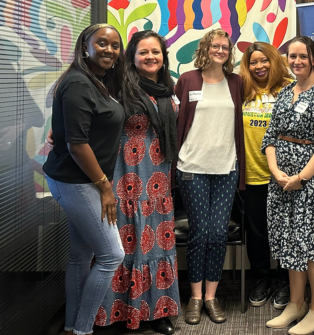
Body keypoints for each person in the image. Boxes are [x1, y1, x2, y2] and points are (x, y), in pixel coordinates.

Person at [43, 23, 126, 335]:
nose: (109, 49)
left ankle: (72, 328)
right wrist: (105, 187)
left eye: (115, 45)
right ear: (85, 47)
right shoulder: (79, 83)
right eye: (102, 43)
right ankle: (84, 329)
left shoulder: (98, 81)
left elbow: (78, 128)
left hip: (80, 180)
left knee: (81, 257)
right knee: (111, 255)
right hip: (77, 182)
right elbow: (77, 145)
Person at [96, 30, 180, 335]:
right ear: (131, 56)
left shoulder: (166, 88)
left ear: (163, 57)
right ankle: (116, 314)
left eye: (155, 52)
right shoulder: (115, 86)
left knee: (157, 242)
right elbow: (90, 118)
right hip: (124, 176)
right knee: (124, 243)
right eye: (143, 52)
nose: (150, 57)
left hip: (158, 178)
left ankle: (159, 313)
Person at [262, 36, 314, 335]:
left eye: (302, 56)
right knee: (290, 241)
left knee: (312, 243)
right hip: (281, 179)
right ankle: (295, 304)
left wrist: (301, 178)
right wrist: (276, 171)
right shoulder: (285, 92)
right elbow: (271, 136)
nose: (296, 62)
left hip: (312, 181)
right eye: (291, 56)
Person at [175, 29, 245, 325]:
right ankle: (194, 297)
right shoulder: (188, 80)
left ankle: (211, 297)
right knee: (199, 234)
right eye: (215, 45)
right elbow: (174, 119)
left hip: (226, 168)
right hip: (192, 168)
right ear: (205, 48)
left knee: (217, 234)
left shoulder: (236, 82)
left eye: (225, 47)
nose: (220, 50)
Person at [239, 42, 292, 309]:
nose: (259, 66)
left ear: (273, 60)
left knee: (283, 231)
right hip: (253, 174)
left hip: (284, 175)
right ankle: (261, 278)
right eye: (253, 62)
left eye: (264, 60)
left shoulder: (289, 88)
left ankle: (284, 280)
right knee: (257, 232)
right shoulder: (242, 90)